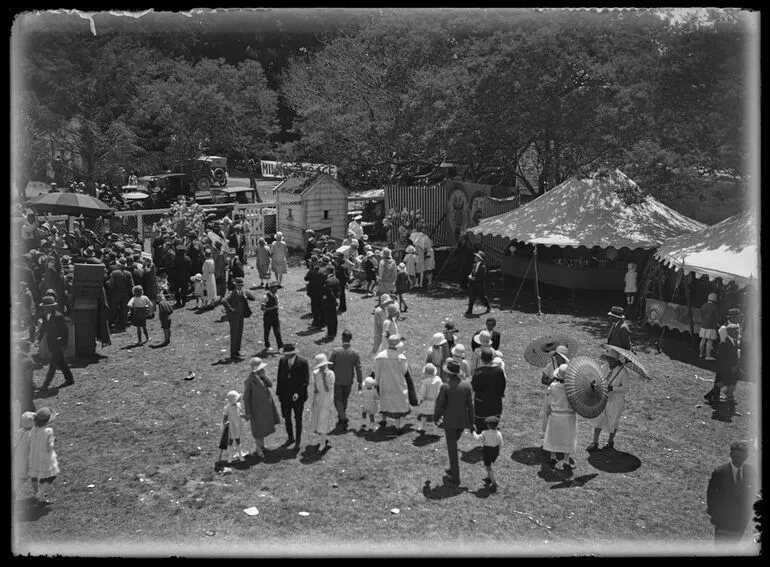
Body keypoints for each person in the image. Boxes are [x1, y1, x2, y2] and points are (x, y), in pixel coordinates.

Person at [433, 359, 475, 485]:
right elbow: (471, 405)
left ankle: (455, 477)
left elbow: (439, 405)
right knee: (454, 444)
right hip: (462, 422)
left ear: (448, 373)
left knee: (452, 450)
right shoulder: (467, 385)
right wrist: (471, 422)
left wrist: (436, 418)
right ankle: (452, 468)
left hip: (450, 423)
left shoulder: (445, 387)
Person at [706, 441, 756, 542]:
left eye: (741, 457)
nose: (738, 460)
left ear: (746, 457)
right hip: (722, 520)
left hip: (740, 521)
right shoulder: (720, 472)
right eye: (735, 456)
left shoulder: (751, 472)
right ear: (730, 455)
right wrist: (714, 514)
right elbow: (711, 495)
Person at [586, 349, 634, 452]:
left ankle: (610, 441)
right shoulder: (604, 367)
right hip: (602, 398)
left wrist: (613, 388)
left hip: (615, 401)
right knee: (598, 419)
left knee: (613, 420)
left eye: (612, 359)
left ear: (616, 360)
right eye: (608, 359)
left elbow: (625, 388)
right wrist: (594, 382)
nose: (609, 361)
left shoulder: (623, 372)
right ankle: (595, 442)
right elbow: (598, 377)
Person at [242, 357, 281, 458]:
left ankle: (262, 446)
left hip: (265, 407)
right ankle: (258, 449)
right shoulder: (249, 381)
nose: (262, 370)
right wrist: (248, 412)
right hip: (256, 409)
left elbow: (270, 384)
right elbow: (246, 398)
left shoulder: (262, 376)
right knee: (257, 430)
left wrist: (265, 376)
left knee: (262, 428)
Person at [542, 364, 578, 470]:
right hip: (568, 416)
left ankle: (553, 457)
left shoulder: (553, 386)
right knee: (568, 438)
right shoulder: (572, 389)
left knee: (553, 436)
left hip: (555, 415)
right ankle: (566, 461)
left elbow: (549, 399)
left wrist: (549, 409)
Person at [372, 334, 412, 430]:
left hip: (385, 383)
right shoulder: (401, 357)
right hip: (398, 383)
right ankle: (397, 425)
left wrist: (376, 381)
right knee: (398, 403)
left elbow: (376, 371)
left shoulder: (380, 356)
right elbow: (404, 371)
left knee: (385, 400)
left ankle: (383, 419)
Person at [276, 344, 310, 451]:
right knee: (287, 418)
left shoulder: (303, 362)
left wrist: (298, 393)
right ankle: (290, 438)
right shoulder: (282, 361)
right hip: (285, 396)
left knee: (298, 419)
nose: (286, 356)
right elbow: (279, 378)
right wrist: (279, 394)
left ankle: (298, 441)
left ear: (293, 353)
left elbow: (306, 380)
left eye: (288, 354)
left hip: (298, 397)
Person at [38, 296, 74, 390]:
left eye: (47, 307)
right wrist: (39, 338)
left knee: (53, 365)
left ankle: (46, 384)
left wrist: (64, 344)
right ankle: (70, 379)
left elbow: (65, 332)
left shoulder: (59, 317)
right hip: (52, 344)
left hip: (58, 344)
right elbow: (44, 328)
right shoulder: (45, 316)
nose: (44, 309)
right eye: (44, 307)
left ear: (52, 307)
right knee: (61, 362)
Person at [329, 330, 363, 430]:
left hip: (337, 380)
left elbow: (330, 365)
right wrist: (360, 382)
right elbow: (359, 368)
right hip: (348, 381)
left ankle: (342, 417)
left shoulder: (336, 351)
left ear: (342, 338)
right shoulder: (355, 353)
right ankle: (341, 416)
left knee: (337, 399)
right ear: (350, 339)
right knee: (344, 399)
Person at [470, 347, 507, 439]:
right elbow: (503, 385)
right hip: (495, 401)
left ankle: (484, 443)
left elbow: (473, 387)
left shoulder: (478, 372)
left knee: (481, 425)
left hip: (481, 403)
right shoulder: (499, 371)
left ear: (482, 359)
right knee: (493, 421)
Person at [704, 323, 741, 411]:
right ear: (731, 332)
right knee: (724, 381)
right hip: (723, 367)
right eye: (736, 332)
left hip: (731, 367)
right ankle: (715, 398)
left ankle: (710, 395)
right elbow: (722, 357)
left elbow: (734, 355)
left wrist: (736, 364)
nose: (738, 333)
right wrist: (729, 366)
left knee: (727, 381)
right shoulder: (724, 343)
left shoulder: (735, 342)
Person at [28, 407, 60, 503]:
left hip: (34, 455)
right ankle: (40, 494)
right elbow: (49, 447)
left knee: (36, 475)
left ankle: (37, 493)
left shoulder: (33, 428)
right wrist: (53, 440)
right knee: (51, 476)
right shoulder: (48, 431)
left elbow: (30, 441)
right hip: (45, 457)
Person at [222, 277, 255, 360]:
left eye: (241, 285)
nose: (240, 287)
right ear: (235, 285)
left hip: (240, 316)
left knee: (239, 333)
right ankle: (233, 353)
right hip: (234, 317)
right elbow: (224, 301)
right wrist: (230, 309)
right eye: (238, 285)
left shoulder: (242, 292)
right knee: (234, 334)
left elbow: (252, 298)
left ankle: (237, 350)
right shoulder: (232, 293)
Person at [310, 353, 336, 451]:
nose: (321, 368)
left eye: (323, 366)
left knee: (324, 419)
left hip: (327, 399)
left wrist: (325, 378)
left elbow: (328, 389)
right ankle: (323, 438)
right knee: (318, 418)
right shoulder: (315, 373)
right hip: (318, 399)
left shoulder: (331, 374)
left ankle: (322, 443)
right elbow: (316, 388)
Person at [472, 415, 503, 492]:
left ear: (488, 425)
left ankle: (494, 482)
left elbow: (478, 438)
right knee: (489, 464)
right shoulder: (499, 433)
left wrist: (473, 432)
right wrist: (498, 452)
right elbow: (501, 444)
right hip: (495, 451)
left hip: (487, 451)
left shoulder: (485, 433)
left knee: (488, 466)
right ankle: (488, 478)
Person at [416, 363, 442, 434]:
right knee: (435, 417)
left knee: (424, 415)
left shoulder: (426, 382)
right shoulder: (438, 380)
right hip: (436, 401)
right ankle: (435, 431)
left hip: (427, 401)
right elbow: (441, 389)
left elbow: (423, 392)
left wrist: (421, 399)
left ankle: (422, 427)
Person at [221, 390, 246, 463]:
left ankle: (240, 454)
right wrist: (225, 423)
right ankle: (230, 456)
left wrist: (244, 416)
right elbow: (224, 418)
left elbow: (239, 413)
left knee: (238, 439)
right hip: (231, 426)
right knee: (230, 440)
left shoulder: (238, 405)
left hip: (237, 425)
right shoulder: (227, 408)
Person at [14, 411, 36, 495]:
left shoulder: (20, 431)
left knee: (21, 477)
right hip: (28, 460)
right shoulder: (31, 434)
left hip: (19, 458)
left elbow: (15, 443)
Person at [466, 250, 491, 316]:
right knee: (471, 297)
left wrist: (475, 278)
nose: (475, 257)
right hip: (473, 284)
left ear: (479, 258)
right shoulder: (474, 265)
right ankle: (469, 310)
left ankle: (488, 306)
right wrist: (470, 275)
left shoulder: (483, 267)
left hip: (480, 284)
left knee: (482, 297)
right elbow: (472, 272)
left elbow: (482, 277)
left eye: (476, 257)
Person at [261, 283, 283, 353]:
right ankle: (267, 345)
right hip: (267, 317)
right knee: (267, 332)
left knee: (278, 332)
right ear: (270, 289)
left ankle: (280, 348)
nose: (276, 290)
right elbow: (262, 308)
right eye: (274, 288)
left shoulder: (276, 296)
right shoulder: (265, 297)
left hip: (275, 317)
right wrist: (272, 308)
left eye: (276, 288)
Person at [699, 293, 720, 360]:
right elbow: (716, 317)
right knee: (709, 341)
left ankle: (701, 354)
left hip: (703, 325)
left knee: (703, 340)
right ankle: (708, 356)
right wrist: (717, 323)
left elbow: (701, 315)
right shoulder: (714, 307)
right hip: (711, 326)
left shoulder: (703, 305)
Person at [322, 265, 341, 340]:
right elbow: (339, 292)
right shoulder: (336, 279)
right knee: (334, 317)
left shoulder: (328, 281)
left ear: (328, 271)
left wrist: (331, 298)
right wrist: (336, 298)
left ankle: (330, 333)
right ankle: (334, 332)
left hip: (329, 301)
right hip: (334, 301)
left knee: (329, 318)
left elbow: (329, 292)